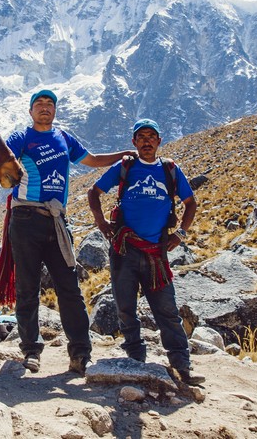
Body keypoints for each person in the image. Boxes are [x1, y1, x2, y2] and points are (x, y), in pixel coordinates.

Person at [0, 89, 136, 376]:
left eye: (49, 104)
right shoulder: (21, 139)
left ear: (54, 111)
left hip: (57, 221)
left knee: (70, 289)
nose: (44, 108)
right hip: (25, 218)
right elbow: (0, 162)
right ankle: (31, 351)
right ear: (31, 111)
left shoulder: (64, 138)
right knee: (27, 288)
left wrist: (123, 155)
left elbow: (90, 159)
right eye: (39, 104)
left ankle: (80, 353)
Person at [86, 118, 205, 385]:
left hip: (156, 252)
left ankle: (181, 365)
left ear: (159, 141)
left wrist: (181, 234)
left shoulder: (171, 169)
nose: (147, 141)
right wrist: (101, 223)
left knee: (166, 309)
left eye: (152, 136)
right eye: (141, 137)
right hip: (124, 249)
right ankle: (135, 358)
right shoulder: (125, 167)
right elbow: (94, 192)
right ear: (134, 143)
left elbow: (190, 203)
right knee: (125, 307)